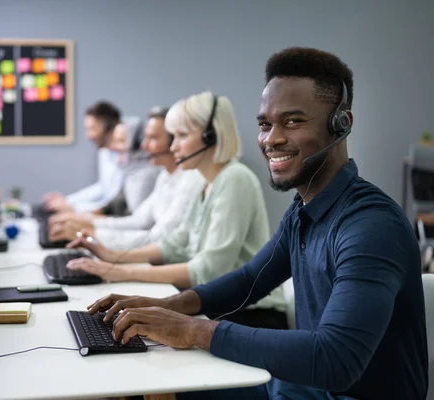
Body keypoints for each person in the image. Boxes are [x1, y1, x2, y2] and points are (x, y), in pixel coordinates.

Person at [82, 47, 428, 399]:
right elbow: (250, 279)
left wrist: (194, 331)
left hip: (336, 392)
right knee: (154, 384)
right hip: (301, 388)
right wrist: (164, 308)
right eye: (265, 124)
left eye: (293, 121)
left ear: (341, 124)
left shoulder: (370, 225)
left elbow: (336, 359)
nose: (271, 138)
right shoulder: (303, 211)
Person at [67, 91, 286, 328]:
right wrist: (113, 258)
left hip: (252, 316)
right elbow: (174, 244)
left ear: (211, 136)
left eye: (181, 136)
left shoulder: (235, 179)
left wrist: (121, 271)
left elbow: (208, 270)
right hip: (218, 307)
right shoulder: (204, 180)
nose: (173, 146)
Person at [48, 106, 205, 250]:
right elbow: (138, 220)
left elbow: (157, 237)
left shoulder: (183, 179)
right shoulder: (164, 176)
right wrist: (88, 225)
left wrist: (91, 233)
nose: (143, 146)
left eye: (153, 138)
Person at [43, 101, 124, 214]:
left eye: (92, 129)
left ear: (110, 128)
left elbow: (112, 203)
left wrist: (75, 208)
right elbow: (103, 187)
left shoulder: (127, 156)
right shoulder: (104, 152)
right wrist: (66, 201)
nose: (88, 136)